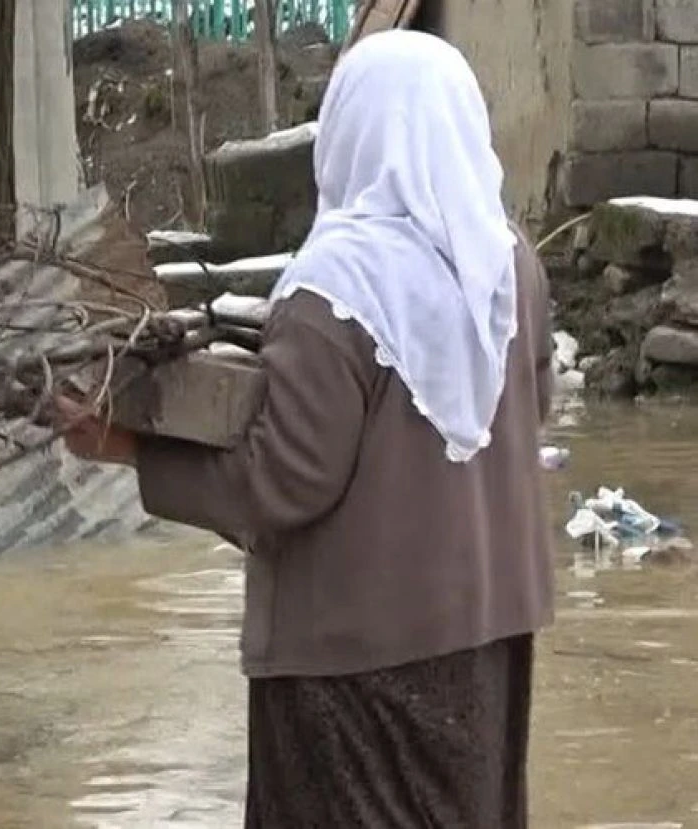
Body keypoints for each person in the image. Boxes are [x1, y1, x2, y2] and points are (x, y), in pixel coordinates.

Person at [54, 30, 556, 828]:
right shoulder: (506, 268)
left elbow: (282, 480)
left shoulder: (334, 289)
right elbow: (534, 407)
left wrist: (128, 447)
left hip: (352, 663)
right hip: (488, 640)